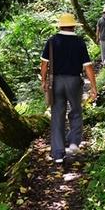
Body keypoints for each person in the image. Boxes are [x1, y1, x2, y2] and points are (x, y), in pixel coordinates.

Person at [40, 13, 97, 164]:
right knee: (76, 111)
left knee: (57, 115)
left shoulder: (51, 41)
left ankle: (58, 154)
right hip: (74, 81)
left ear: (60, 26)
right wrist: (93, 86)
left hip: (56, 82)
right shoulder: (79, 42)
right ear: (73, 26)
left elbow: (44, 64)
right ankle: (73, 143)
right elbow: (88, 67)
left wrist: (44, 81)